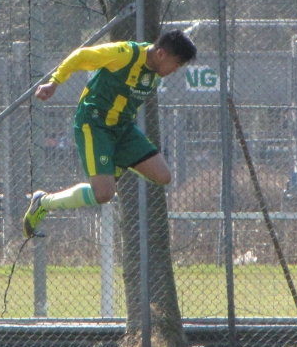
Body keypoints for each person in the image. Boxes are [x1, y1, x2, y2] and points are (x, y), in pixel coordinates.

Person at [23, 30, 197, 238]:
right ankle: (43, 202)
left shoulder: (155, 72)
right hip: (94, 125)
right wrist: (54, 82)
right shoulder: (125, 54)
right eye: (176, 64)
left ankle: (115, 164)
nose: (175, 70)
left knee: (163, 176)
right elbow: (81, 56)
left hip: (122, 128)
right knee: (104, 194)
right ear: (161, 54)